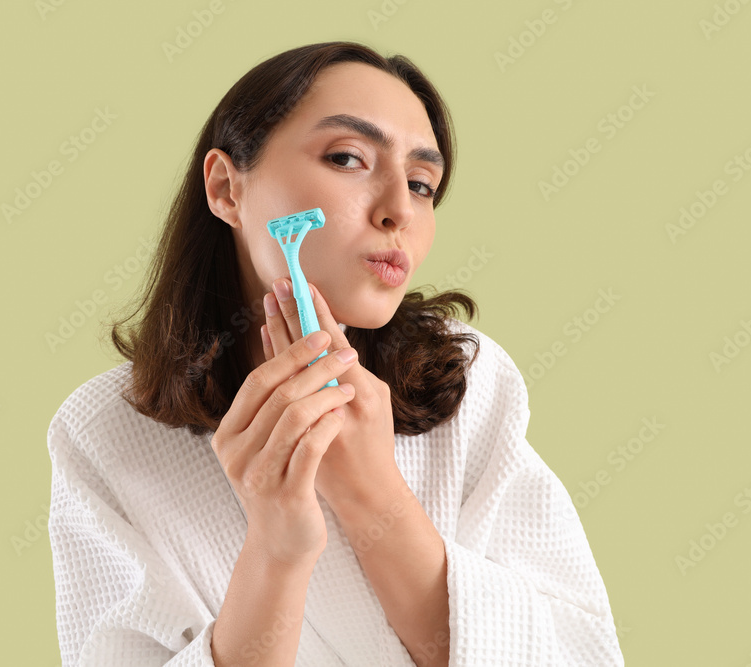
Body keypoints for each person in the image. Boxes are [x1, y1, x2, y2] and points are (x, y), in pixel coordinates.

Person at [46, 40, 624, 666]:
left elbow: (579, 655)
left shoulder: (469, 383)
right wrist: (277, 547)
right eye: (347, 158)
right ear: (225, 188)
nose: (399, 209)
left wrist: (372, 490)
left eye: (423, 183)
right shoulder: (104, 432)